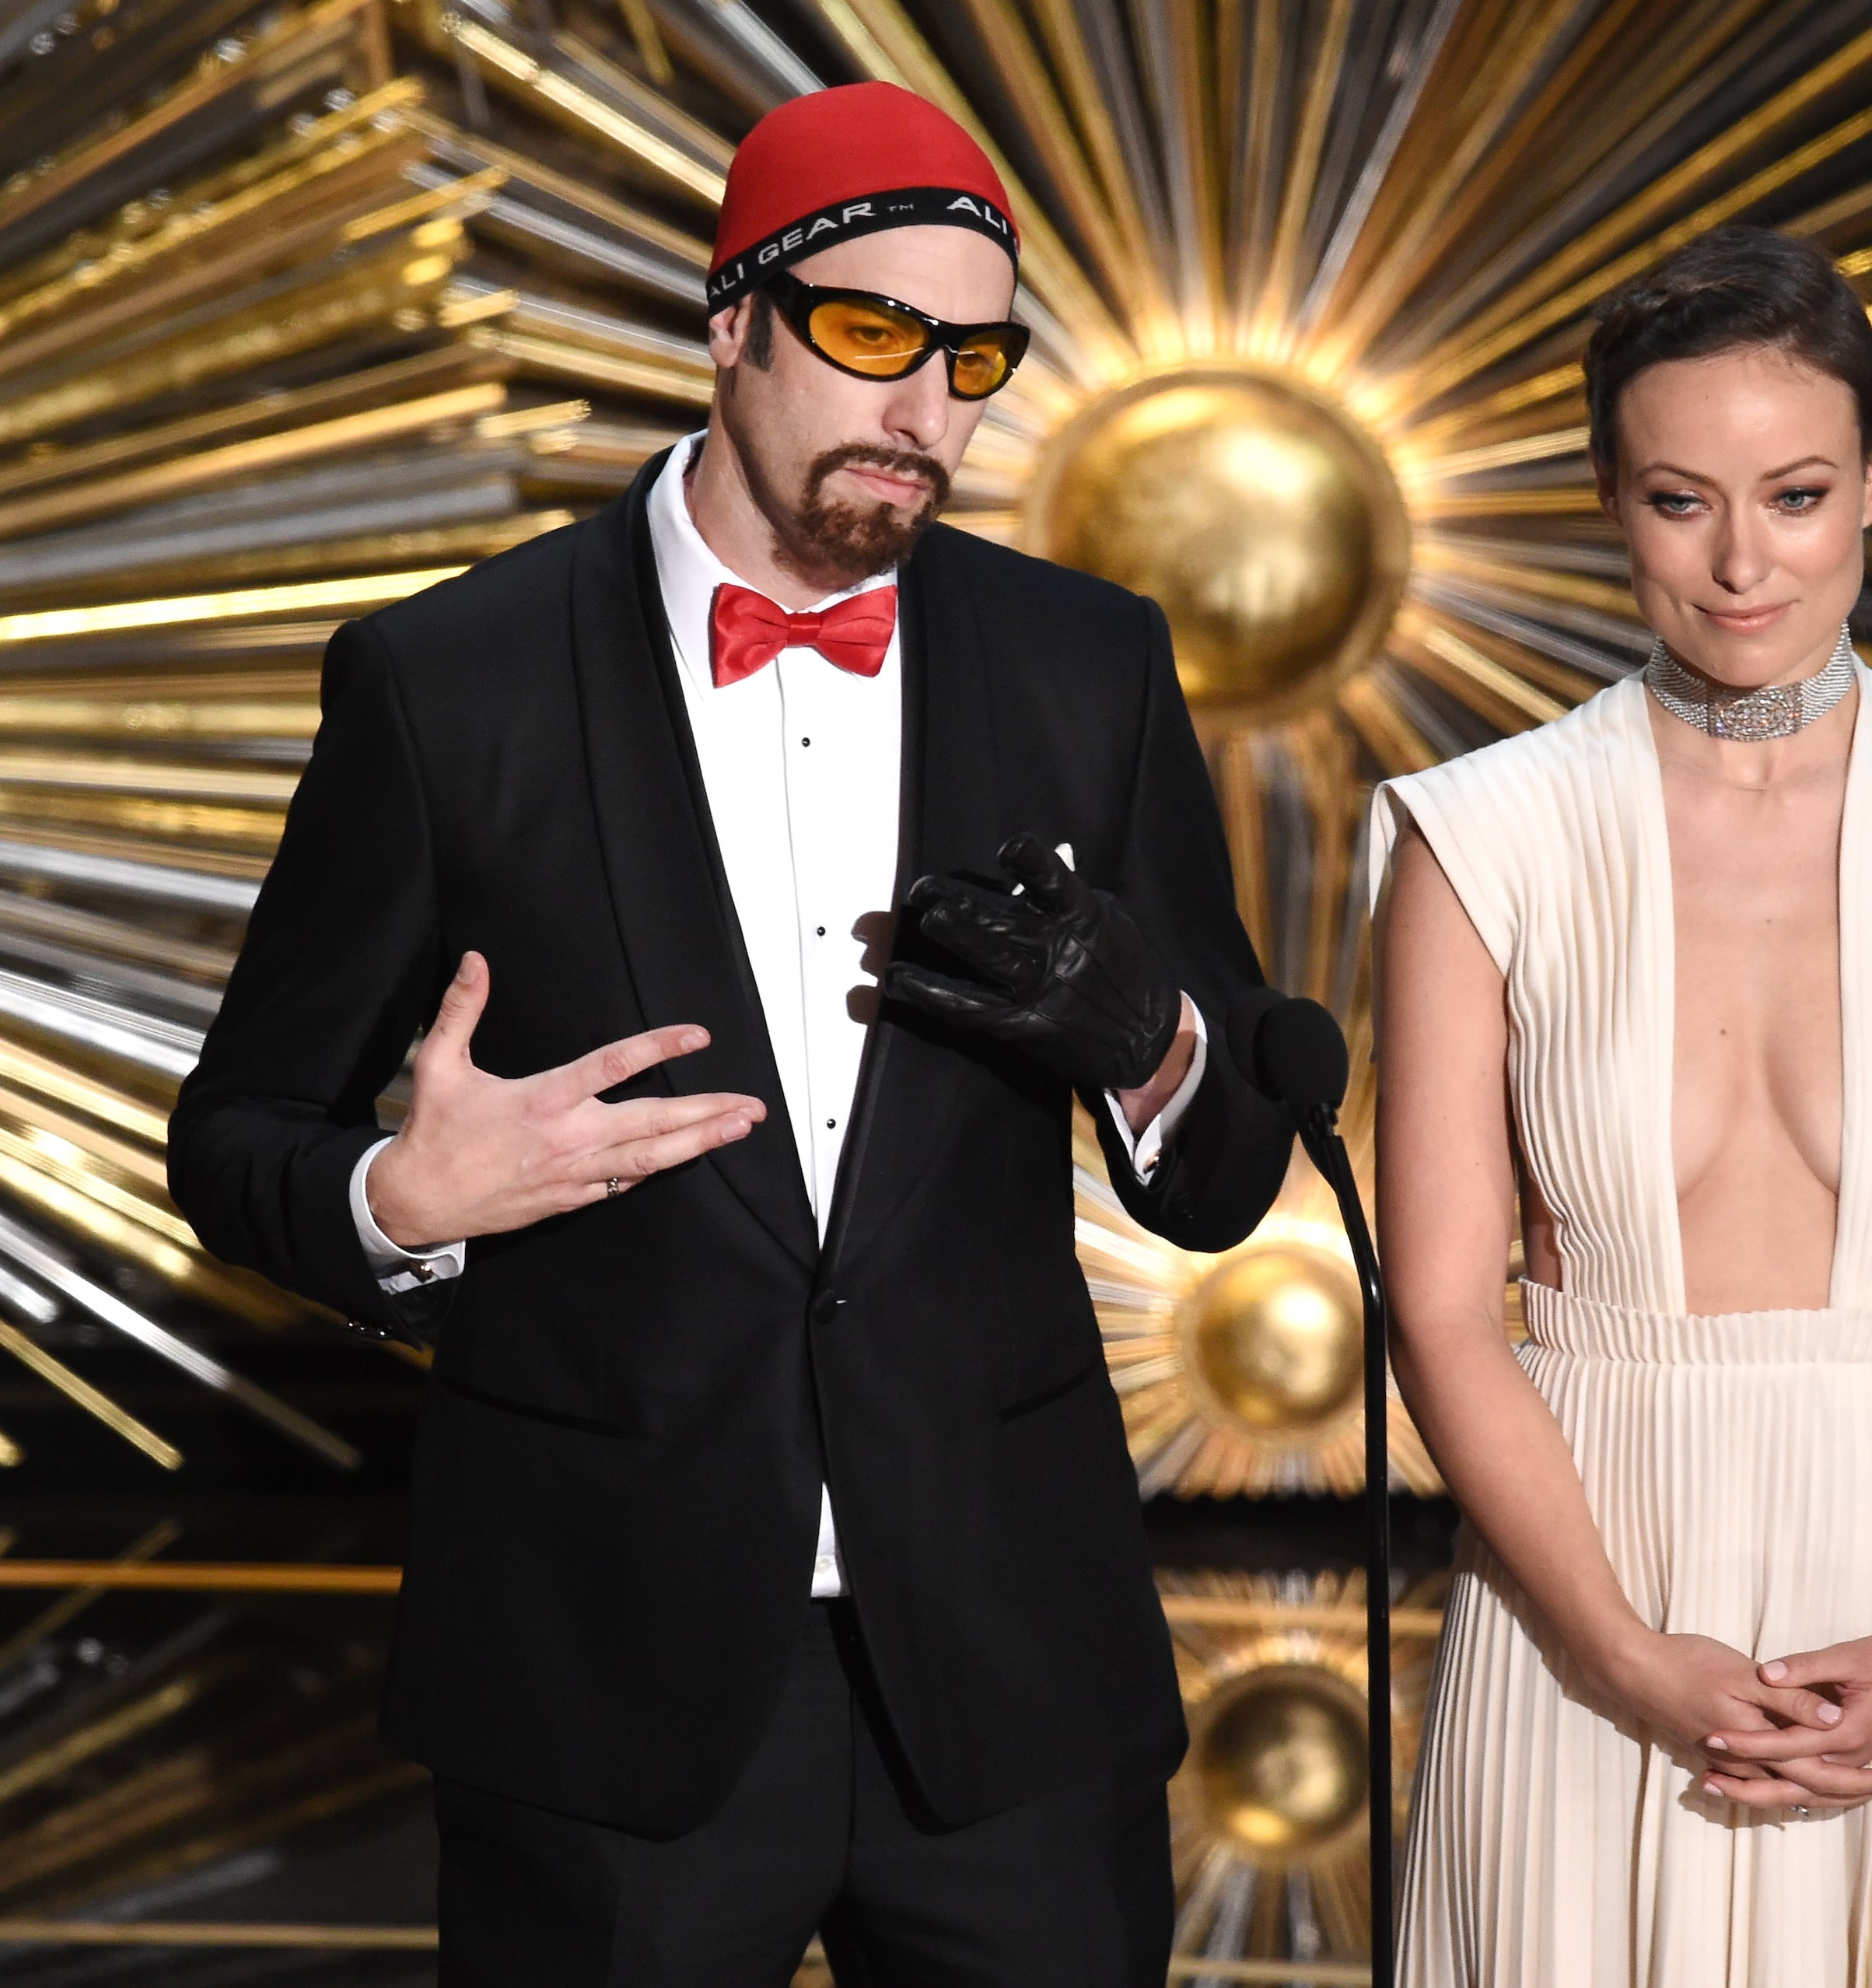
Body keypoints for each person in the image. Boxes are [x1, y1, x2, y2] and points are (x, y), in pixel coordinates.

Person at [169, 82, 1293, 1987]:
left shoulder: (1087, 664)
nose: (922, 411)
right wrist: (399, 1194)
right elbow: (232, 1137)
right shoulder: (451, 684)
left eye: (973, 361)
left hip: (1007, 1672)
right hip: (603, 1681)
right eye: (869, 338)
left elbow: (1234, 1162)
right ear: (731, 323)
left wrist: (1158, 1048)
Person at [1371, 224, 1872, 1984]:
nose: (1738, 565)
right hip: (1586, 1594)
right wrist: (1625, 1653)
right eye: (1678, 501)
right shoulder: (1479, 834)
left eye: (1791, 493)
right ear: (1612, 504)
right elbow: (1438, 1307)